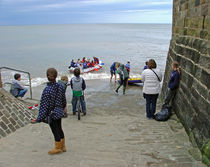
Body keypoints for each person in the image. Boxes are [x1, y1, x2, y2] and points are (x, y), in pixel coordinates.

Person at [32, 68, 66, 154]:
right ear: (56, 76)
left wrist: (38, 119)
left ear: (47, 76)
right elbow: (63, 99)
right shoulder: (61, 86)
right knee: (59, 128)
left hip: (52, 114)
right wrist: (63, 107)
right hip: (59, 111)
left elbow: (44, 106)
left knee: (55, 130)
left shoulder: (47, 90)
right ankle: (63, 146)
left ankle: (58, 148)